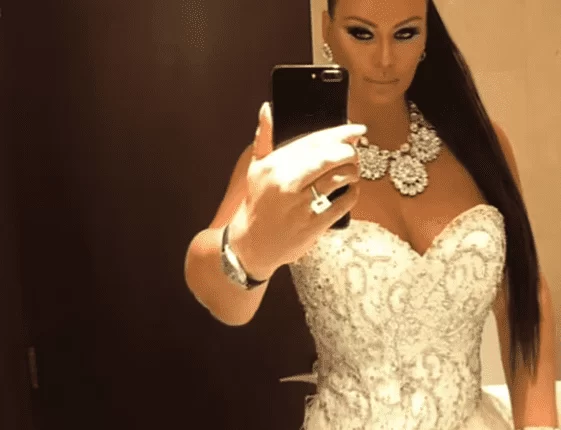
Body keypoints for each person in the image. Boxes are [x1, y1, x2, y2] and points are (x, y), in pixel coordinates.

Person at [184, 0, 561, 428]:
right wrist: (251, 249)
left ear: (426, 36)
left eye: (405, 33)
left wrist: (539, 425)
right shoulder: (289, 163)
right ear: (327, 29)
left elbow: (524, 295)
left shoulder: (482, 146)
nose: (385, 58)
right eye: (361, 33)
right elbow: (216, 291)